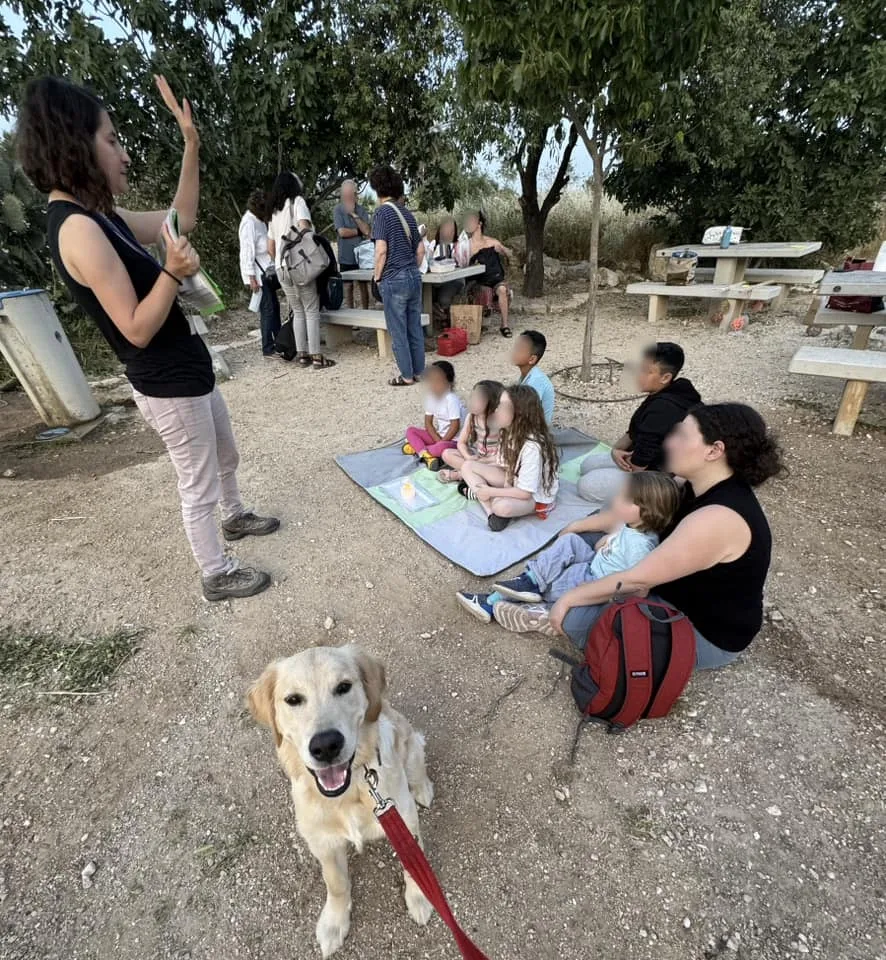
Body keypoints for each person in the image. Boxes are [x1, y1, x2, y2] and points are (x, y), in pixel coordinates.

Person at [19, 75, 278, 601]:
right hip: (164, 380)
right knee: (197, 479)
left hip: (187, 366)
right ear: (74, 143)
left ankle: (235, 516)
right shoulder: (76, 229)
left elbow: (180, 220)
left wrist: (191, 145)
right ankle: (216, 572)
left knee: (224, 454)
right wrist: (172, 272)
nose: (124, 153)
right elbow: (134, 326)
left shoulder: (100, 216)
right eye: (111, 140)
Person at [465, 403, 783, 671]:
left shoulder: (718, 519)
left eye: (683, 435)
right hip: (664, 581)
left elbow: (636, 582)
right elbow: (639, 512)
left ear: (715, 451)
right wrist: (578, 527)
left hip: (699, 630)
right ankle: (532, 585)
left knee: (576, 613)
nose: (669, 442)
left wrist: (571, 599)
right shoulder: (693, 483)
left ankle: (541, 608)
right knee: (610, 518)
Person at [455, 471, 679, 627]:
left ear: (646, 510)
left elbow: (638, 587)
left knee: (561, 580)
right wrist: (605, 543)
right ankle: (531, 581)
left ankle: (497, 604)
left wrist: (606, 597)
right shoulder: (630, 524)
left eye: (625, 498)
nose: (617, 500)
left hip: (596, 581)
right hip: (594, 563)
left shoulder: (642, 546)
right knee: (570, 541)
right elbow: (612, 541)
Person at [578, 341, 700, 506]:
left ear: (665, 377)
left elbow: (638, 469)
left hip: (661, 477)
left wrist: (621, 458)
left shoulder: (663, 409)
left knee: (587, 485)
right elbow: (632, 434)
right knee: (588, 464)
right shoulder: (665, 390)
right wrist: (616, 451)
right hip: (642, 459)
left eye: (646, 371)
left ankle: (641, 502)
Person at [458, 384, 559, 532]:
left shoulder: (532, 447)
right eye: (498, 405)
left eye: (502, 407)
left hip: (535, 497)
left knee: (502, 506)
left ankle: (491, 503)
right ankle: (491, 514)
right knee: (467, 466)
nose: (496, 410)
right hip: (513, 479)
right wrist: (480, 462)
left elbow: (525, 493)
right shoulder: (508, 430)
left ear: (519, 414)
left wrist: (491, 492)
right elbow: (505, 461)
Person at [267, 171, 335, 370]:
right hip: (298, 265)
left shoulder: (274, 211)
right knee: (311, 310)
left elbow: (270, 248)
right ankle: (316, 357)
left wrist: (281, 260)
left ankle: (302, 355)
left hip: (281, 267)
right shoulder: (297, 203)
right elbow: (305, 231)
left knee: (297, 310)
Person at [370, 165, 425, 386]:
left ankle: (406, 375)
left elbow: (381, 250)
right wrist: (412, 266)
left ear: (377, 189)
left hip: (394, 277)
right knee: (414, 326)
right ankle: (419, 370)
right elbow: (420, 250)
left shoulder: (382, 213)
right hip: (413, 274)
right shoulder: (407, 213)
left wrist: (376, 276)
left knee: (398, 329)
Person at [238, 189, 281, 359]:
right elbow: (247, 252)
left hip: (267, 270)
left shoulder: (260, 221)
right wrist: (251, 278)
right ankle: (268, 347)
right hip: (258, 274)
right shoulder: (249, 223)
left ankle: (279, 341)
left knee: (274, 308)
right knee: (268, 310)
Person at [402, 360, 463, 470]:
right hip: (439, 436)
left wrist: (441, 442)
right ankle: (427, 456)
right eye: (431, 381)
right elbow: (428, 423)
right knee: (410, 431)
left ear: (449, 383)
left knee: (441, 447)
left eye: (438, 381)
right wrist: (436, 438)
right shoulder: (431, 397)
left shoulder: (451, 399)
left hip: (453, 440)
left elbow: (455, 426)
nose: (434, 385)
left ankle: (419, 450)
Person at [439, 379, 503, 483]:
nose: (472, 402)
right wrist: (468, 456)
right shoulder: (471, 417)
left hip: (493, 460)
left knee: (500, 466)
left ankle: (460, 474)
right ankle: (471, 473)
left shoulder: (499, 422)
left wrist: (483, 461)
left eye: (478, 400)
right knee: (446, 454)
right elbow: (461, 443)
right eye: (472, 397)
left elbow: (504, 455)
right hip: (477, 456)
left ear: (491, 402)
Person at [464, 210, 513, 336]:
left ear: (479, 224)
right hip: (477, 280)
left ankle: (504, 325)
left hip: (495, 278)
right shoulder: (466, 245)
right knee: (484, 290)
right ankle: (480, 323)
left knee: (502, 289)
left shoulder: (492, 241)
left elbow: (509, 254)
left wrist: (502, 249)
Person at [422, 216, 467, 325]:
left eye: (451, 228)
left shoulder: (459, 244)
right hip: (434, 281)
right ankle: (439, 317)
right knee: (424, 297)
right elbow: (427, 260)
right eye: (445, 227)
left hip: (454, 280)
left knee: (444, 299)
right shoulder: (433, 244)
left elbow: (463, 263)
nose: (448, 230)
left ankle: (444, 318)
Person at [333, 179, 370, 309]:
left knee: (363, 285)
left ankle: (366, 313)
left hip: (362, 257)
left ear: (355, 195)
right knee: (348, 287)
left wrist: (354, 214)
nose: (346, 198)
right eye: (344, 195)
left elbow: (367, 231)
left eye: (349, 195)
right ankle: (351, 314)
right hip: (345, 255)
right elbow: (342, 232)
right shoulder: (337, 210)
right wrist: (358, 231)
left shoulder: (361, 210)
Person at [512, 330, 554, 425]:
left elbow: (525, 414)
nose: (514, 352)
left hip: (535, 433)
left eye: (519, 350)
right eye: (515, 348)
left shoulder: (536, 381)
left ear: (532, 359)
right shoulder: (527, 375)